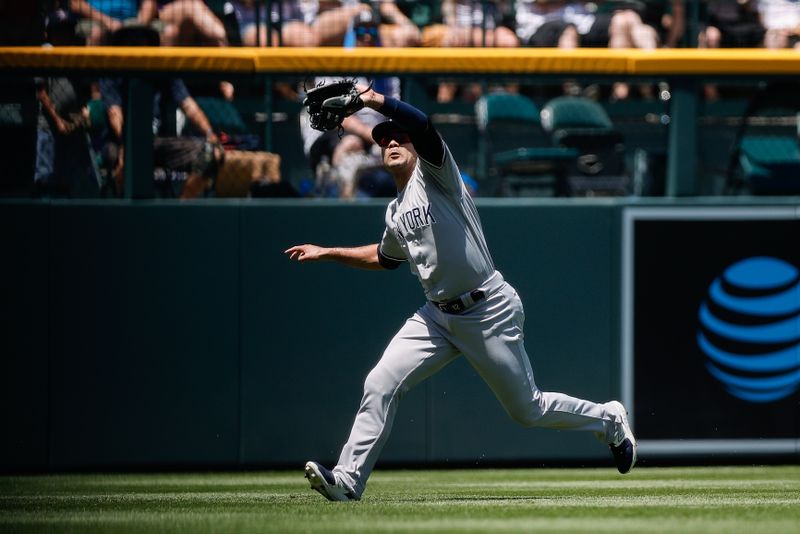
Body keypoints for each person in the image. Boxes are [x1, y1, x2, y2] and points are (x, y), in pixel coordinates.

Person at [284, 85, 637, 501]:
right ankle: (347, 479)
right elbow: (385, 257)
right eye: (384, 140)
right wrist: (329, 252)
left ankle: (609, 420)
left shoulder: (437, 175)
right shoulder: (395, 210)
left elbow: (423, 125)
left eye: (400, 138)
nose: (393, 142)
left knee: (528, 409)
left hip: (486, 308)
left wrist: (372, 100)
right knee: (380, 381)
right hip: (435, 317)